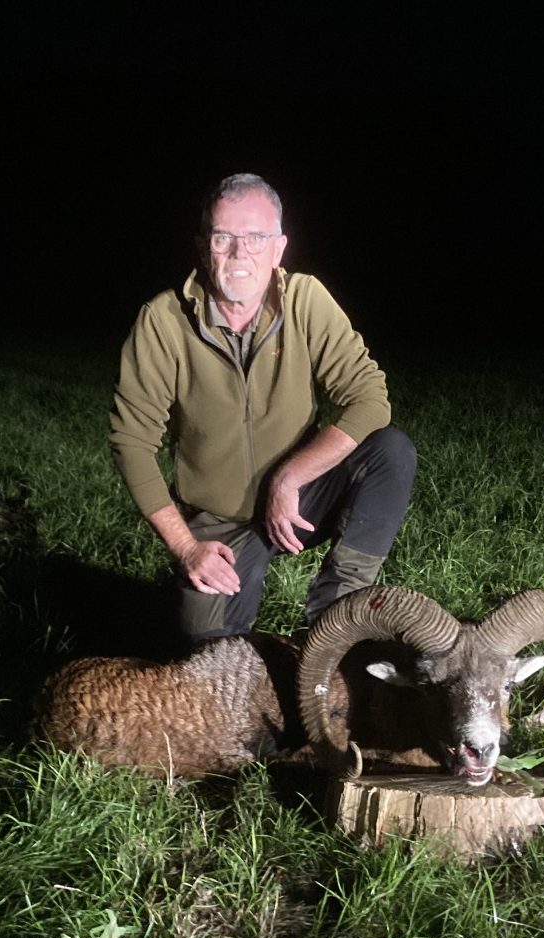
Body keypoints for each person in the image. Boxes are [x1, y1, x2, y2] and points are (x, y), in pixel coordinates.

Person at [108, 173, 416, 641]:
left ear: (278, 249)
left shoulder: (306, 299)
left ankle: (338, 611)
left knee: (389, 451)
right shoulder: (163, 321)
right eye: (223, 238)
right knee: (204, 643)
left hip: (302, 497)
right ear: (203, 247)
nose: (239, 254)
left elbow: (370, 397)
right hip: (221, 520)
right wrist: (187, 547)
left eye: (256, 238)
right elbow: (131, 443)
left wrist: (289, 477)